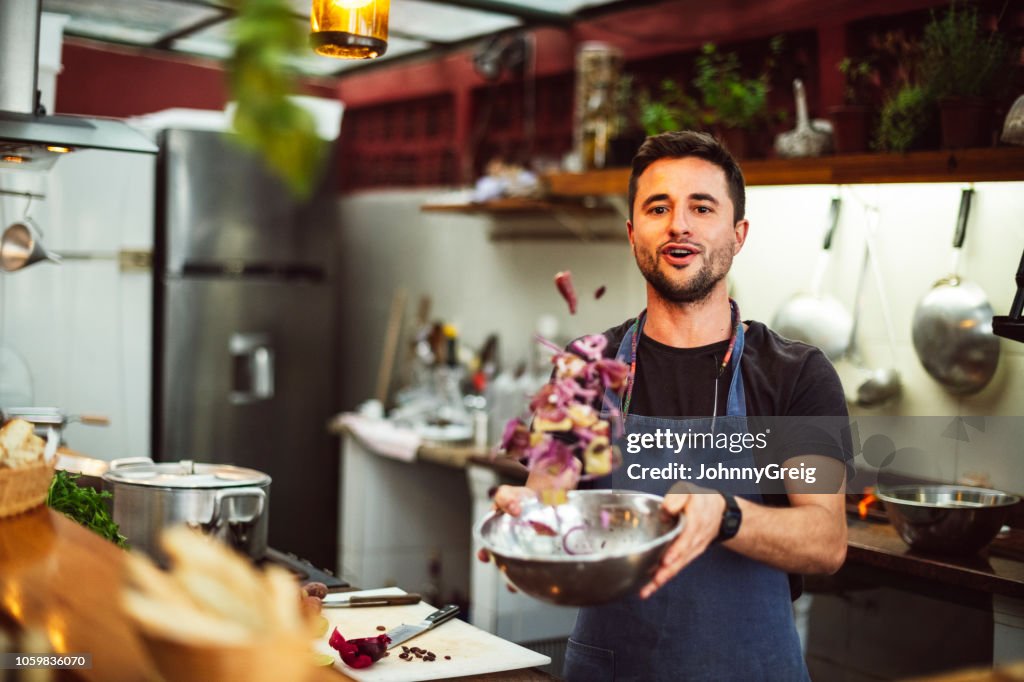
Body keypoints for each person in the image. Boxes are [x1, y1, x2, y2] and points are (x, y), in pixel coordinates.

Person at [488, 131, 849, 681]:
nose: (679, 224)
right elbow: (546, 510)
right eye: (659, 208)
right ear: (634, 234)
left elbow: (825, 541)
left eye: (701, 207)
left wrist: (726, 515)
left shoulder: (794, 373)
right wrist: (523, 528)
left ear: (738, 233)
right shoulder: (583, 370)